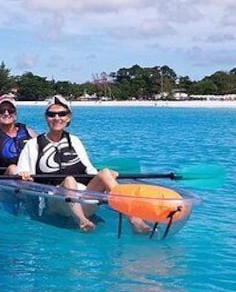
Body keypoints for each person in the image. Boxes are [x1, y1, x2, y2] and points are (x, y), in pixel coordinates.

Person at [17, 94, 149, 233]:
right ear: (46, 117)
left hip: (83, 199)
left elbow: (90, 170)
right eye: (52, 114)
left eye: (62, 114)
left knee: (105, 172)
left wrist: (108, 177)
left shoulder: (74, 141)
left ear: (68, 118)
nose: (57, 118)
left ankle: (134, 219)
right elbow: (23, 176)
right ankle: (82, 221)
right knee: (69, 180)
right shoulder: (33, 145)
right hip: (56, 202)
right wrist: (24, 176)